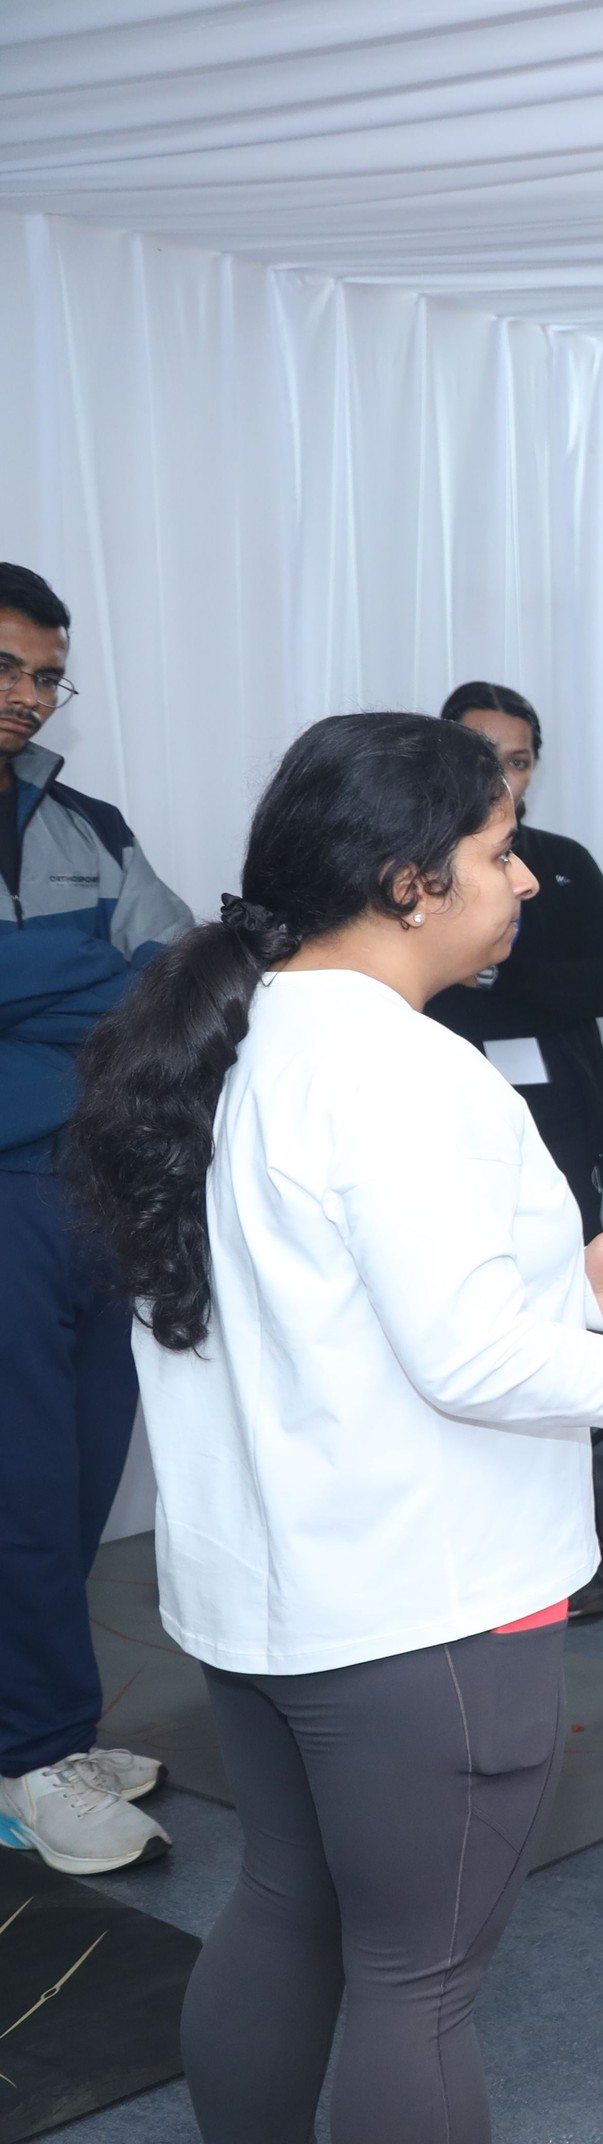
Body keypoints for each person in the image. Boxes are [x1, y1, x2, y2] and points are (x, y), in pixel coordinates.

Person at [66, 710, 603, 2144]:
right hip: (417, 1617)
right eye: (501, 850)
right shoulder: (408, 1073)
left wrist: (566, 1291)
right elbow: (473, 1361)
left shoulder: (230, 1041)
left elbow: (333, 1307)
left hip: (264, 1606)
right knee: (416, 1986)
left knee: (283, 1902)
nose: (528, 880)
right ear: (409, 880)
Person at [0, 562, 190, 1879]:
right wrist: (93, 975)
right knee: (19, 1485)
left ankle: (37, 1731)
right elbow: (121, 983)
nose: (29, 695)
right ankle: (36, 1754)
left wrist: (40, 989)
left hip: (96, 1192)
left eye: (48, 676)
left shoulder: (91, 824)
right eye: (9, 667)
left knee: (77, 1477)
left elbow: (174, 981)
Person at [424, 684, 603, 1235]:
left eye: (517, 762)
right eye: (482, 758)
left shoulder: (562, 859)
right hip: (443, 1106)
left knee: (574, 1262)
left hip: (564, 1107)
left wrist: (494, 975)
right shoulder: (410, 861)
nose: (500, 779)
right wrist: (552, 988)